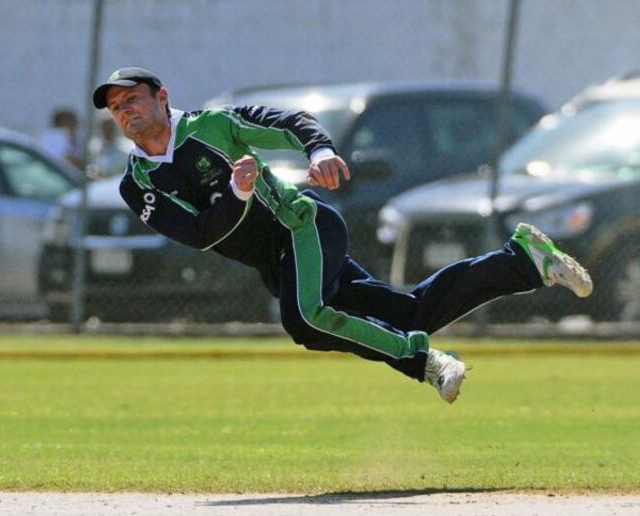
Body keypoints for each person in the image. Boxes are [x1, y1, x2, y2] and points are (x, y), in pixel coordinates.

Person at [93, 67, 593, 404]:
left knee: (305, 318)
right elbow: (199, 234)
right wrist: (235, 192)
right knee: (409, 313)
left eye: (132, 99)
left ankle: (425, 362)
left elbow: (286, 122)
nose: (125, 111)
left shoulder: (214, 127)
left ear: (162, 97)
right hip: (277, 262)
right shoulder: (135, 182)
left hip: (302, 225)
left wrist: (318, 151)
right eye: (116, 108)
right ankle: (524, 261)